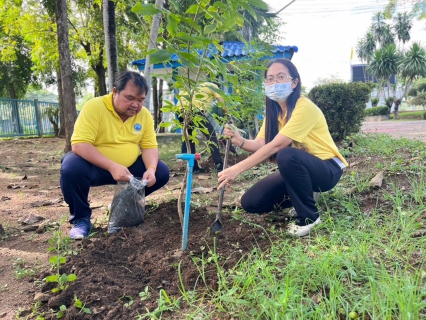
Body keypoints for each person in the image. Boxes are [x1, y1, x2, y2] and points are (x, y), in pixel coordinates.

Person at [218, 58, 347, 237]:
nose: (274, 83)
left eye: (280, 77)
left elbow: (277, 145)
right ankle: (304, 196)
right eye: (270, 79)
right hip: (300, 167)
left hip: (328, 169)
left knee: (286, 154)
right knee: (251, 202)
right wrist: (239, 141)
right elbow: (261, 143)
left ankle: (309, 218)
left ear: (294, 82)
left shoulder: (304, 107)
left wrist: (237, 169)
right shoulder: (274, 113)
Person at [60, 70, 170, 239]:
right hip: (96, 167)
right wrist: (112, 166)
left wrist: (151, 168)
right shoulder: (95, 107)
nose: (135, 105)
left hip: (129, 171)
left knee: (161, 171)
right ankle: (81, 220)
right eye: (130, 98)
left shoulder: (144, 115)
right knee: (71, 167)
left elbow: (149, 147)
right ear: (115, 92)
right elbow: (80, 144)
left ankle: (121, 206)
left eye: (140, 100)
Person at [178, 82, 226, 173]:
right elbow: (221, 102)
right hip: (194, 109)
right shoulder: (214, 86)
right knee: (211, 135)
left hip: (180, 109)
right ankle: (219, 167)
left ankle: (194, 168)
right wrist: (227, 114)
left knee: (190, 138)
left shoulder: (197, 85)